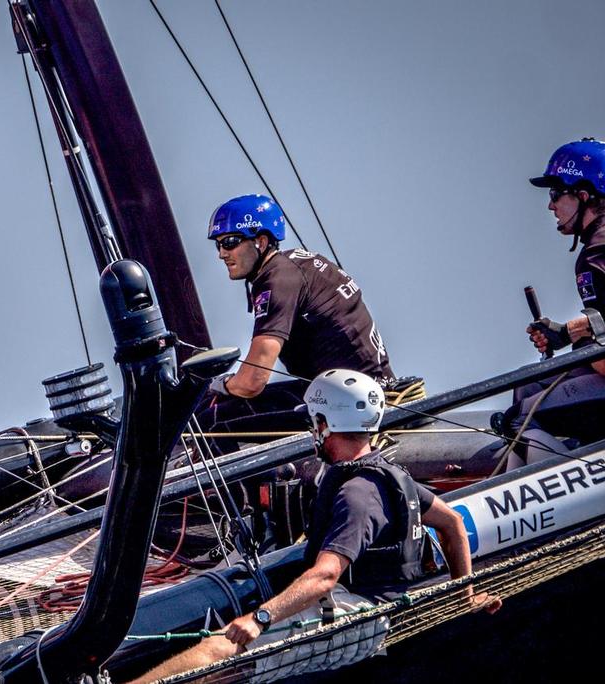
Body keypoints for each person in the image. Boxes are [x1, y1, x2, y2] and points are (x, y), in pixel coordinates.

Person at [131, 369, 500, 684]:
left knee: (221, 650)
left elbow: (325, 576)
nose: (311, 429)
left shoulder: (356, 494)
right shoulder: (388, 475)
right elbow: (450, 523)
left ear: (324, 425)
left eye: (313, 421)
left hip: (361, 615)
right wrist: (462, 595)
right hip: (377, 604)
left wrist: (260, 618)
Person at [197, 194, 394, 453]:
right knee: (214, 408)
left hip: (349, 405)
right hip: (349, 392)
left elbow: (253, 380)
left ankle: (240, 494)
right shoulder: (292, 265)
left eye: (231, 242)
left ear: (261, 241)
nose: (222, 253)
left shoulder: (277, 280)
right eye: (218, 245)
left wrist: (218, 384)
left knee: (211, 422)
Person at [500, 138, 605, 470]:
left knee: (520, 418)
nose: (550, 206)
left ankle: (570, 516)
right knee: (527, 381)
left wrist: (576, 334)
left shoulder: (597, 253)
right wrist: (567, 334)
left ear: (584, 195)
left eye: (555, 194)